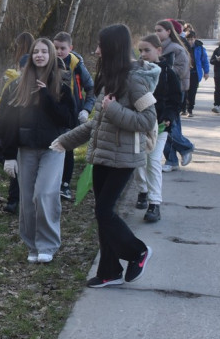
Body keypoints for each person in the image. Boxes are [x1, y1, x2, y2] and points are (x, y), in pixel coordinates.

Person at [52, 24, 157, 288]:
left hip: (124, 159)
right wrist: (65, 141)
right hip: (102, 157)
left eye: (101, 46)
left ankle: (138, 252)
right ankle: (109, 271)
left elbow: (148, 120)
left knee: (104, 211)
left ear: (112, 48)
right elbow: (95, 123)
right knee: (102, 214)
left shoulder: (135, 81)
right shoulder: (109, 79)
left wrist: (114, 111)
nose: (97, 51)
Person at [0, 38, 76, 264]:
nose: (39, 55)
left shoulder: (61, 85)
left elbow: (68, 119)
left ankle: (47, 244)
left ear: (51, 55)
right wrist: (9, 156)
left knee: (44, 194)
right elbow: (7, 122)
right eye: (36, 52)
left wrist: (47, 96)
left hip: (53, 148)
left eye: (44, 51)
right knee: (28, 199)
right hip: (26, 148)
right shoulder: (17, 86)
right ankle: (32, 245)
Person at [133, 34, 181, 223]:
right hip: (138, 124)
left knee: (153, 160)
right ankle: (143, 190)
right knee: (138, 161)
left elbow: (175, 100)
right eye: (140, 51)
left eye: (147, 50)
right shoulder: (136, 71)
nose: (143, 54)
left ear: (159, 50)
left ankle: (154, 203)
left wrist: (168, 117)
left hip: (160, 126)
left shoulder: (168, 73)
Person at [52, 32, 95, 201]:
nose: (59, 51)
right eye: (55, 47)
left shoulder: (77, 66)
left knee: (66, 147)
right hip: (51, 112)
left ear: (70, 48)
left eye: (62, 48)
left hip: (71, 114)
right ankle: (51, 181)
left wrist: (86, 109)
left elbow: (91, 89)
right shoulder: (47, 62)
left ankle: (65, 184)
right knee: (51, 146)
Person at [0, 32, 35, 214]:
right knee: (16, 168)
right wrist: (0, 134)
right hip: (17, 134)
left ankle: (29, 202)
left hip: (35, 138)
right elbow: (3, 112)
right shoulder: (13, 86)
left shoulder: (41, 87)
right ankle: (13, 200)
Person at [155, 19, 193, 171]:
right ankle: (171, 160)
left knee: (169, 125)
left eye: (159, 30)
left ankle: (186, 147)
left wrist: (162, 70)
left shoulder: (176, 48)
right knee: (164, 127)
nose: (156, 33)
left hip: (174, 92)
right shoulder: (156, 47)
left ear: (168, 31)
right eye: (155, 30)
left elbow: (182, 70)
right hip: (159, 92)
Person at [184, 30, 210, 117]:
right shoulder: (182, 47)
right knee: (184, 91)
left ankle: (190, 109)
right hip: (184, 73)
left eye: (191, 39)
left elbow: (204, 60)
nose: (190, 41)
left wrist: (206, 72)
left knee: (192, 92)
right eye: (188, 39)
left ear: (195, 39)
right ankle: (183, 108)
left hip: (195, 73)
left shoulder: (200, 48)